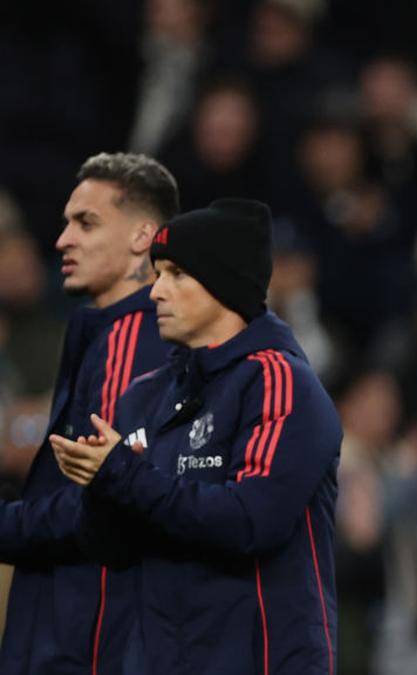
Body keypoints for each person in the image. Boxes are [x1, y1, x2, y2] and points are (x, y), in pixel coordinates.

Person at [48, 198, 342, 674]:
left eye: (177, 274)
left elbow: (250, 522)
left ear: (225, 283)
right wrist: (101, 484)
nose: (156, 292)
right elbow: (112, 550)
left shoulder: (278, 382)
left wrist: (122, 474)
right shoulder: (143, 397)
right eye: (157, 274)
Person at [0, 153, 178, 675]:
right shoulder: (108, 333)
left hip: (92, 638)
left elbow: (106, 503)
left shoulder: (133, 338)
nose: (63, 240)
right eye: (65, 223)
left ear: (142, 237)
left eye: (86, 223)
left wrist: (5, 524)